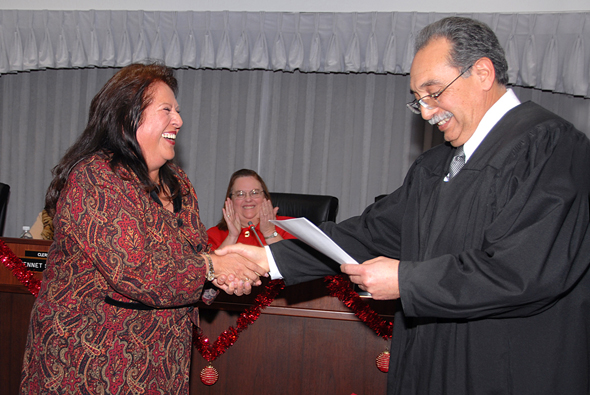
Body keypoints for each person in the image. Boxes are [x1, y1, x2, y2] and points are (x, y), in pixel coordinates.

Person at [216, 17, 590, 395]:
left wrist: (406, 280)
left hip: (506, 368)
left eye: (434, 92)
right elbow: (366, 234)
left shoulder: (551, 147)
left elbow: (522, 271)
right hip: (428, 365)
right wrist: (265, 258)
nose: (427, 113)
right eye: (419, 100)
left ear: (482, 72)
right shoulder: (435, 167)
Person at [20, 63, 266, 395]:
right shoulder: (96, 178)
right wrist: (212, 266)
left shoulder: (178, 183)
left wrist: (219, 275)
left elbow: (190, 261)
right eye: (167, 110)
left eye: (177, 111)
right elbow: (136, 272)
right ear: (127, 115)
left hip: (162, 363)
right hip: (91, 363)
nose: (178, 121)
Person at [207, 169, 295, 250]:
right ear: (230, 200)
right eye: (240, 194)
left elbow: (297, 264)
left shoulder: (290, 226)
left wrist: (270, 233)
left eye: (254, 193)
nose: (248, 199)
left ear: (265, 197)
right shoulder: (214, 234)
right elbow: (208, 266)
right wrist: (232, 237)